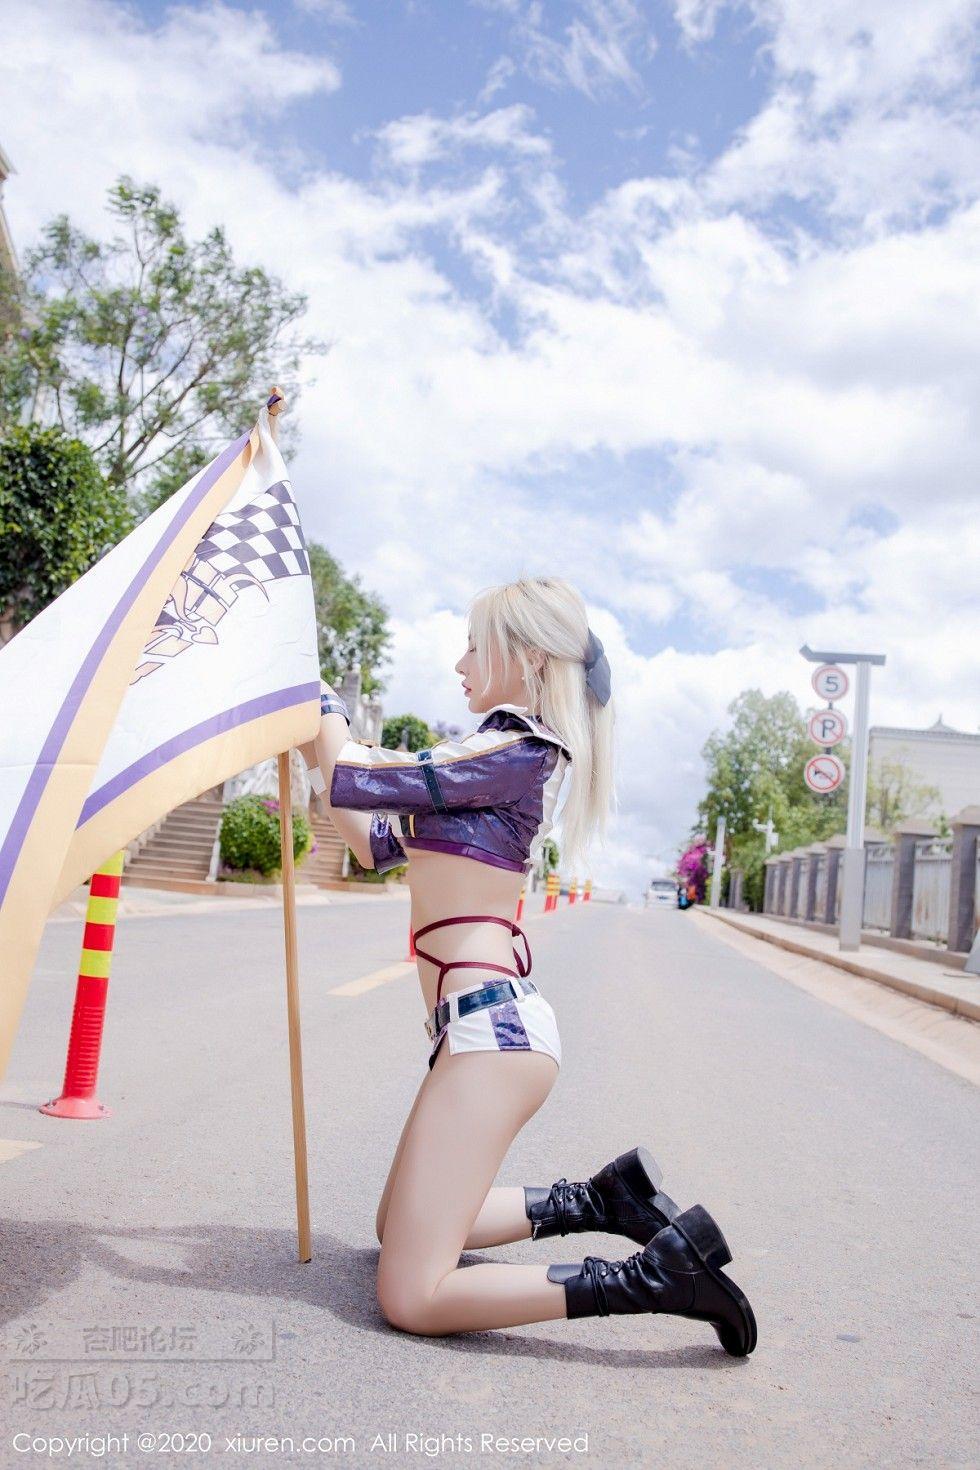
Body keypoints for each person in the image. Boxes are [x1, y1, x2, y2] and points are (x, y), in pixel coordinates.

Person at [299, 576, 756, 1354]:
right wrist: (320, 728)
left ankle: (656, 1278)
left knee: (411, 1294)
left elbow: (362, 776)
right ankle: (601, 1201)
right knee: (394, 1226)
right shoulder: (494, 762)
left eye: (474, 645)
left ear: (530, 657)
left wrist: (322, 709)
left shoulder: (516, 748)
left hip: (494, 1038)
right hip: (475, 1033)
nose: (459, 664)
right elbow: (373, 840)